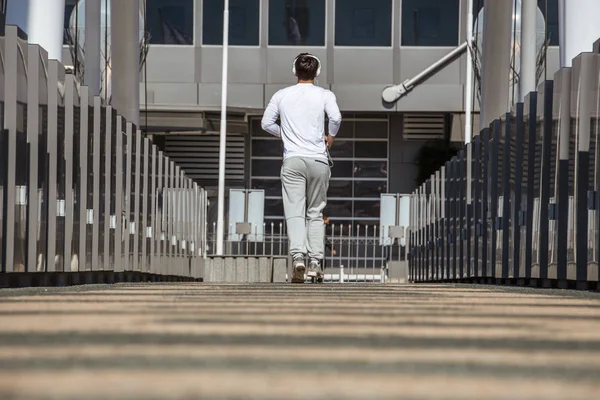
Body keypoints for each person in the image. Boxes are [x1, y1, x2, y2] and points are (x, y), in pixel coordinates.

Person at [261, 53, 342, 283]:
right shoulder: (325, 95)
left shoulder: (281, 95)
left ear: (294, 71)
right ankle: (315, 263)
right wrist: (330, 137)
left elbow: (266, 123)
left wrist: (285, 135)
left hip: (293, 160)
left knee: (295, 211)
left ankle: (298, 258)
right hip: (318, 160)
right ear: (317, 73)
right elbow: (336, 118)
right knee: (315, 212)